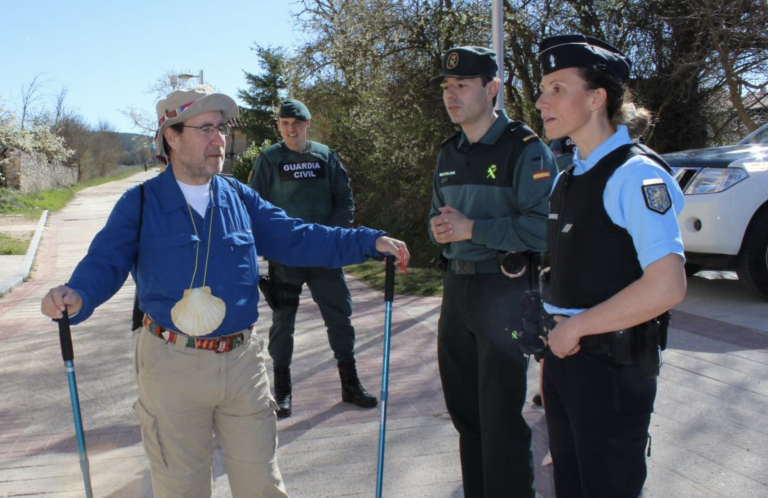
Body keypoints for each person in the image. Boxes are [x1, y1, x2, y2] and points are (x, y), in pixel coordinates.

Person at [40, 85, 410, 498]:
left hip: (242, 365)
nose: (218, 139)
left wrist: (367, 242)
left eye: (221, 128)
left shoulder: (239, 197)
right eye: (205, 129)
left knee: (262, 487)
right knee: (182, 489)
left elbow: (297, 237)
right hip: (171, 365)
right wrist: (76, 295)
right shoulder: (140, 203)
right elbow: (104, 263)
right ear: (172, 136)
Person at [535, 35, 686, 498]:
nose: (541, 101)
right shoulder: (570, 175)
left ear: (598, 97)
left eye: (558, 88)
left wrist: (576, 327)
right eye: (543, 89)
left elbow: (666, 286)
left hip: (612, 371)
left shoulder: (635, 175)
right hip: (567, 361)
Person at [428, 46, 558, 498]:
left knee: (500, 417)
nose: (452, 95)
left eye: (462, 85)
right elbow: (435, 221)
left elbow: (544, 231)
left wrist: (473, 228)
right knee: (466, 415)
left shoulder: (525, 149)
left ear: (493, 88)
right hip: (457, 289)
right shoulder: (448, 152)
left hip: (503, 291)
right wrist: (441, 230)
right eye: (447, 87)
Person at [249, 99, 376, 418]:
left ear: (307, 124)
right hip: (287, 256)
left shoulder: (325, 156)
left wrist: (332, 238)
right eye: (285, 123)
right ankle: (283, 391)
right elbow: (254, 204)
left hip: (325, 256)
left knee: (339, 317)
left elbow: (344, 200)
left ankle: (350, 384)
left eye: (297, 123)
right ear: (279, 126)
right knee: (283, 322)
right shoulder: (269, 159)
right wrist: (270, 242)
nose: (291, 129)